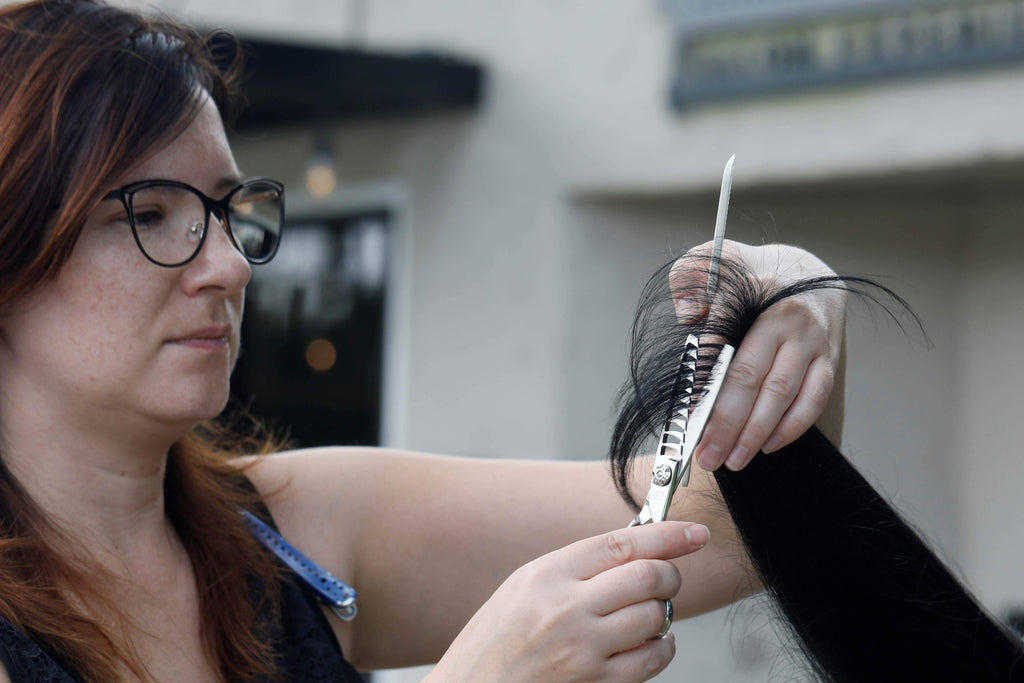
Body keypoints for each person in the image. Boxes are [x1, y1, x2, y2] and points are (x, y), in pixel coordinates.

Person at [0, 1, 848, 681]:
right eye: (150, 215)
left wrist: (790, 300)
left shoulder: (294, 529)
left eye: (226, 211)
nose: (227, 266)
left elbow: (724, 531)